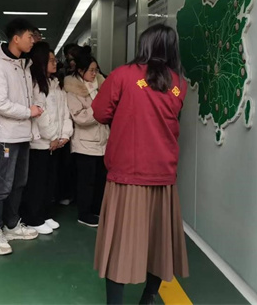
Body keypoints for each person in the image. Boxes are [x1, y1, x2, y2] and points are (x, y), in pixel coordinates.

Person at [92, 24, 189, 305]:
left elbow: (99, 112)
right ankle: (148, 297)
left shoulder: (122, 75)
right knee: (159, 242)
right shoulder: (179, 83)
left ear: (144, 45)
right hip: (163, 174)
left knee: (119, 244)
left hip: (127, 173)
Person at [0, 18, 41, 255]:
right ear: (16, 38)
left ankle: (11, 224)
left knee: (18, 183)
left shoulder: (23, 65)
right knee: (2, 185)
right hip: (5, 136)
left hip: (22, 134)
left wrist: (32, 114)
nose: (33, 41)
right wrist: (28, 112)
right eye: (29, 36)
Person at [22, 42, 73, 235]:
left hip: (55, 141)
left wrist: (64, 135)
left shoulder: (55, 83)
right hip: (40, 142)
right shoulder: (36, 84)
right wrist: (52, 136)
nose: (55, 63)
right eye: (51, 60)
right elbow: (41, 114)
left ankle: (44, 214)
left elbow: (65, 112)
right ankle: (33, 218)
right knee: (37, 182)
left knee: (50, 181)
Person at [64, 54, 109, 227]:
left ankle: (97, 210)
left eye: (96, 70)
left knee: (100, 180)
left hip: (103, 140)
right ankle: (84, 214)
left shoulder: (101, 85)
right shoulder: (72, 89)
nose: (94, 73)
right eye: (91, 70)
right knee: (86, 182)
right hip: (84, 143)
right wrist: (99, 109)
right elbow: (80, 117)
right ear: (81, 70)